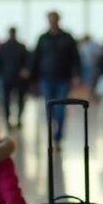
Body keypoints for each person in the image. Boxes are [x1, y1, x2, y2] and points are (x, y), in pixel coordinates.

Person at [30, 12, 80, 148]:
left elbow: (75, 57)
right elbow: (36, 57)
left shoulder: (67, 37)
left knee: (61, 108)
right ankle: (52, 132)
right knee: (49, 107)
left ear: (58, 20)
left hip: (63, 78)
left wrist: (76, 75)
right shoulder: (42, 38)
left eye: (54, 20)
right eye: (50, 20)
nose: (52, 22)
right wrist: (30, 75)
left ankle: (58, 136)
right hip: (45, 77)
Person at [0, 27, 29, 130]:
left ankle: (16, 119)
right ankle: (10, 119)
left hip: (14, 77)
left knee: (16, 100)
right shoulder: (13, 46)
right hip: (9, 77)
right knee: (9, 100)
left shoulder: (8, 47)